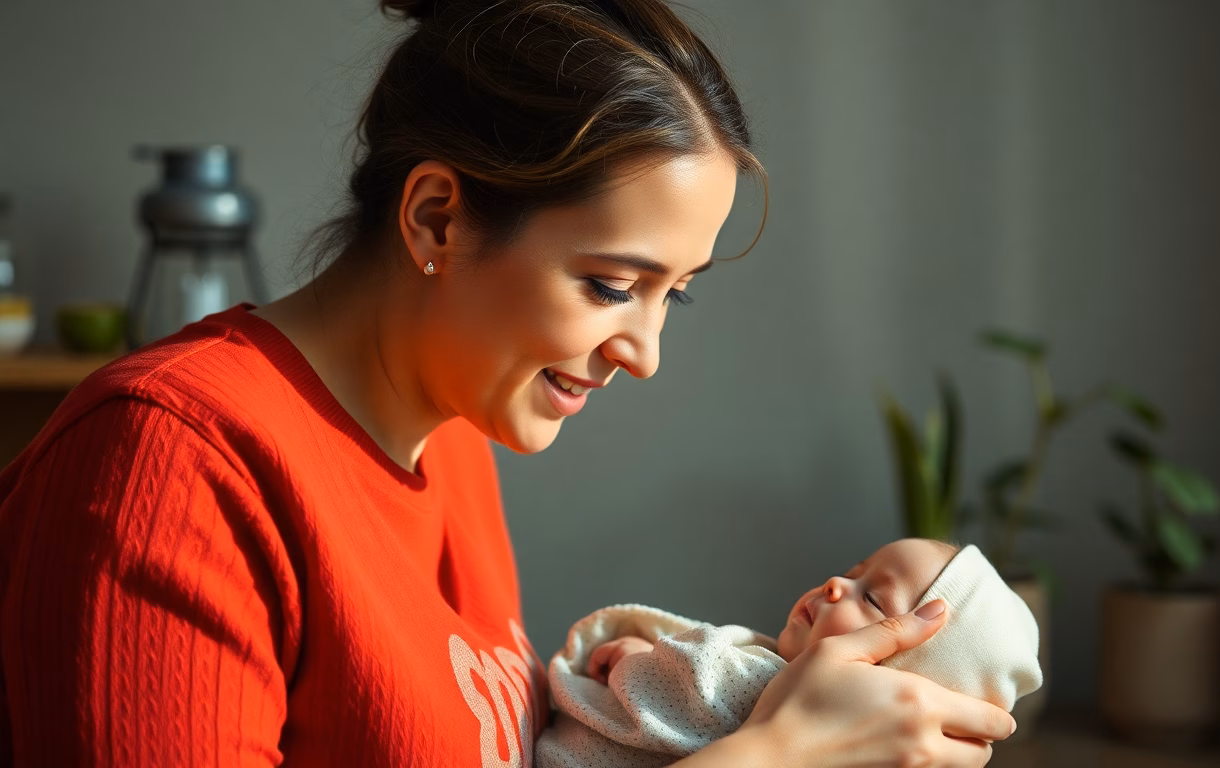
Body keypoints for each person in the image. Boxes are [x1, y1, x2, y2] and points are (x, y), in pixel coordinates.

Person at [0, 0, 1016, 765]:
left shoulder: (455, 438)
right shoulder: (168, 463)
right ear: (436, 218)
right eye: (612, 285)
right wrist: (773, 756)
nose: (644, 352)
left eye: (675, 294)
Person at [536, 540, 1041, 767]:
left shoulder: (758, 683)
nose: (836, 582)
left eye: (873, 599)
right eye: (855, 571)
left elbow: (682, 679)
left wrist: (633, 655)